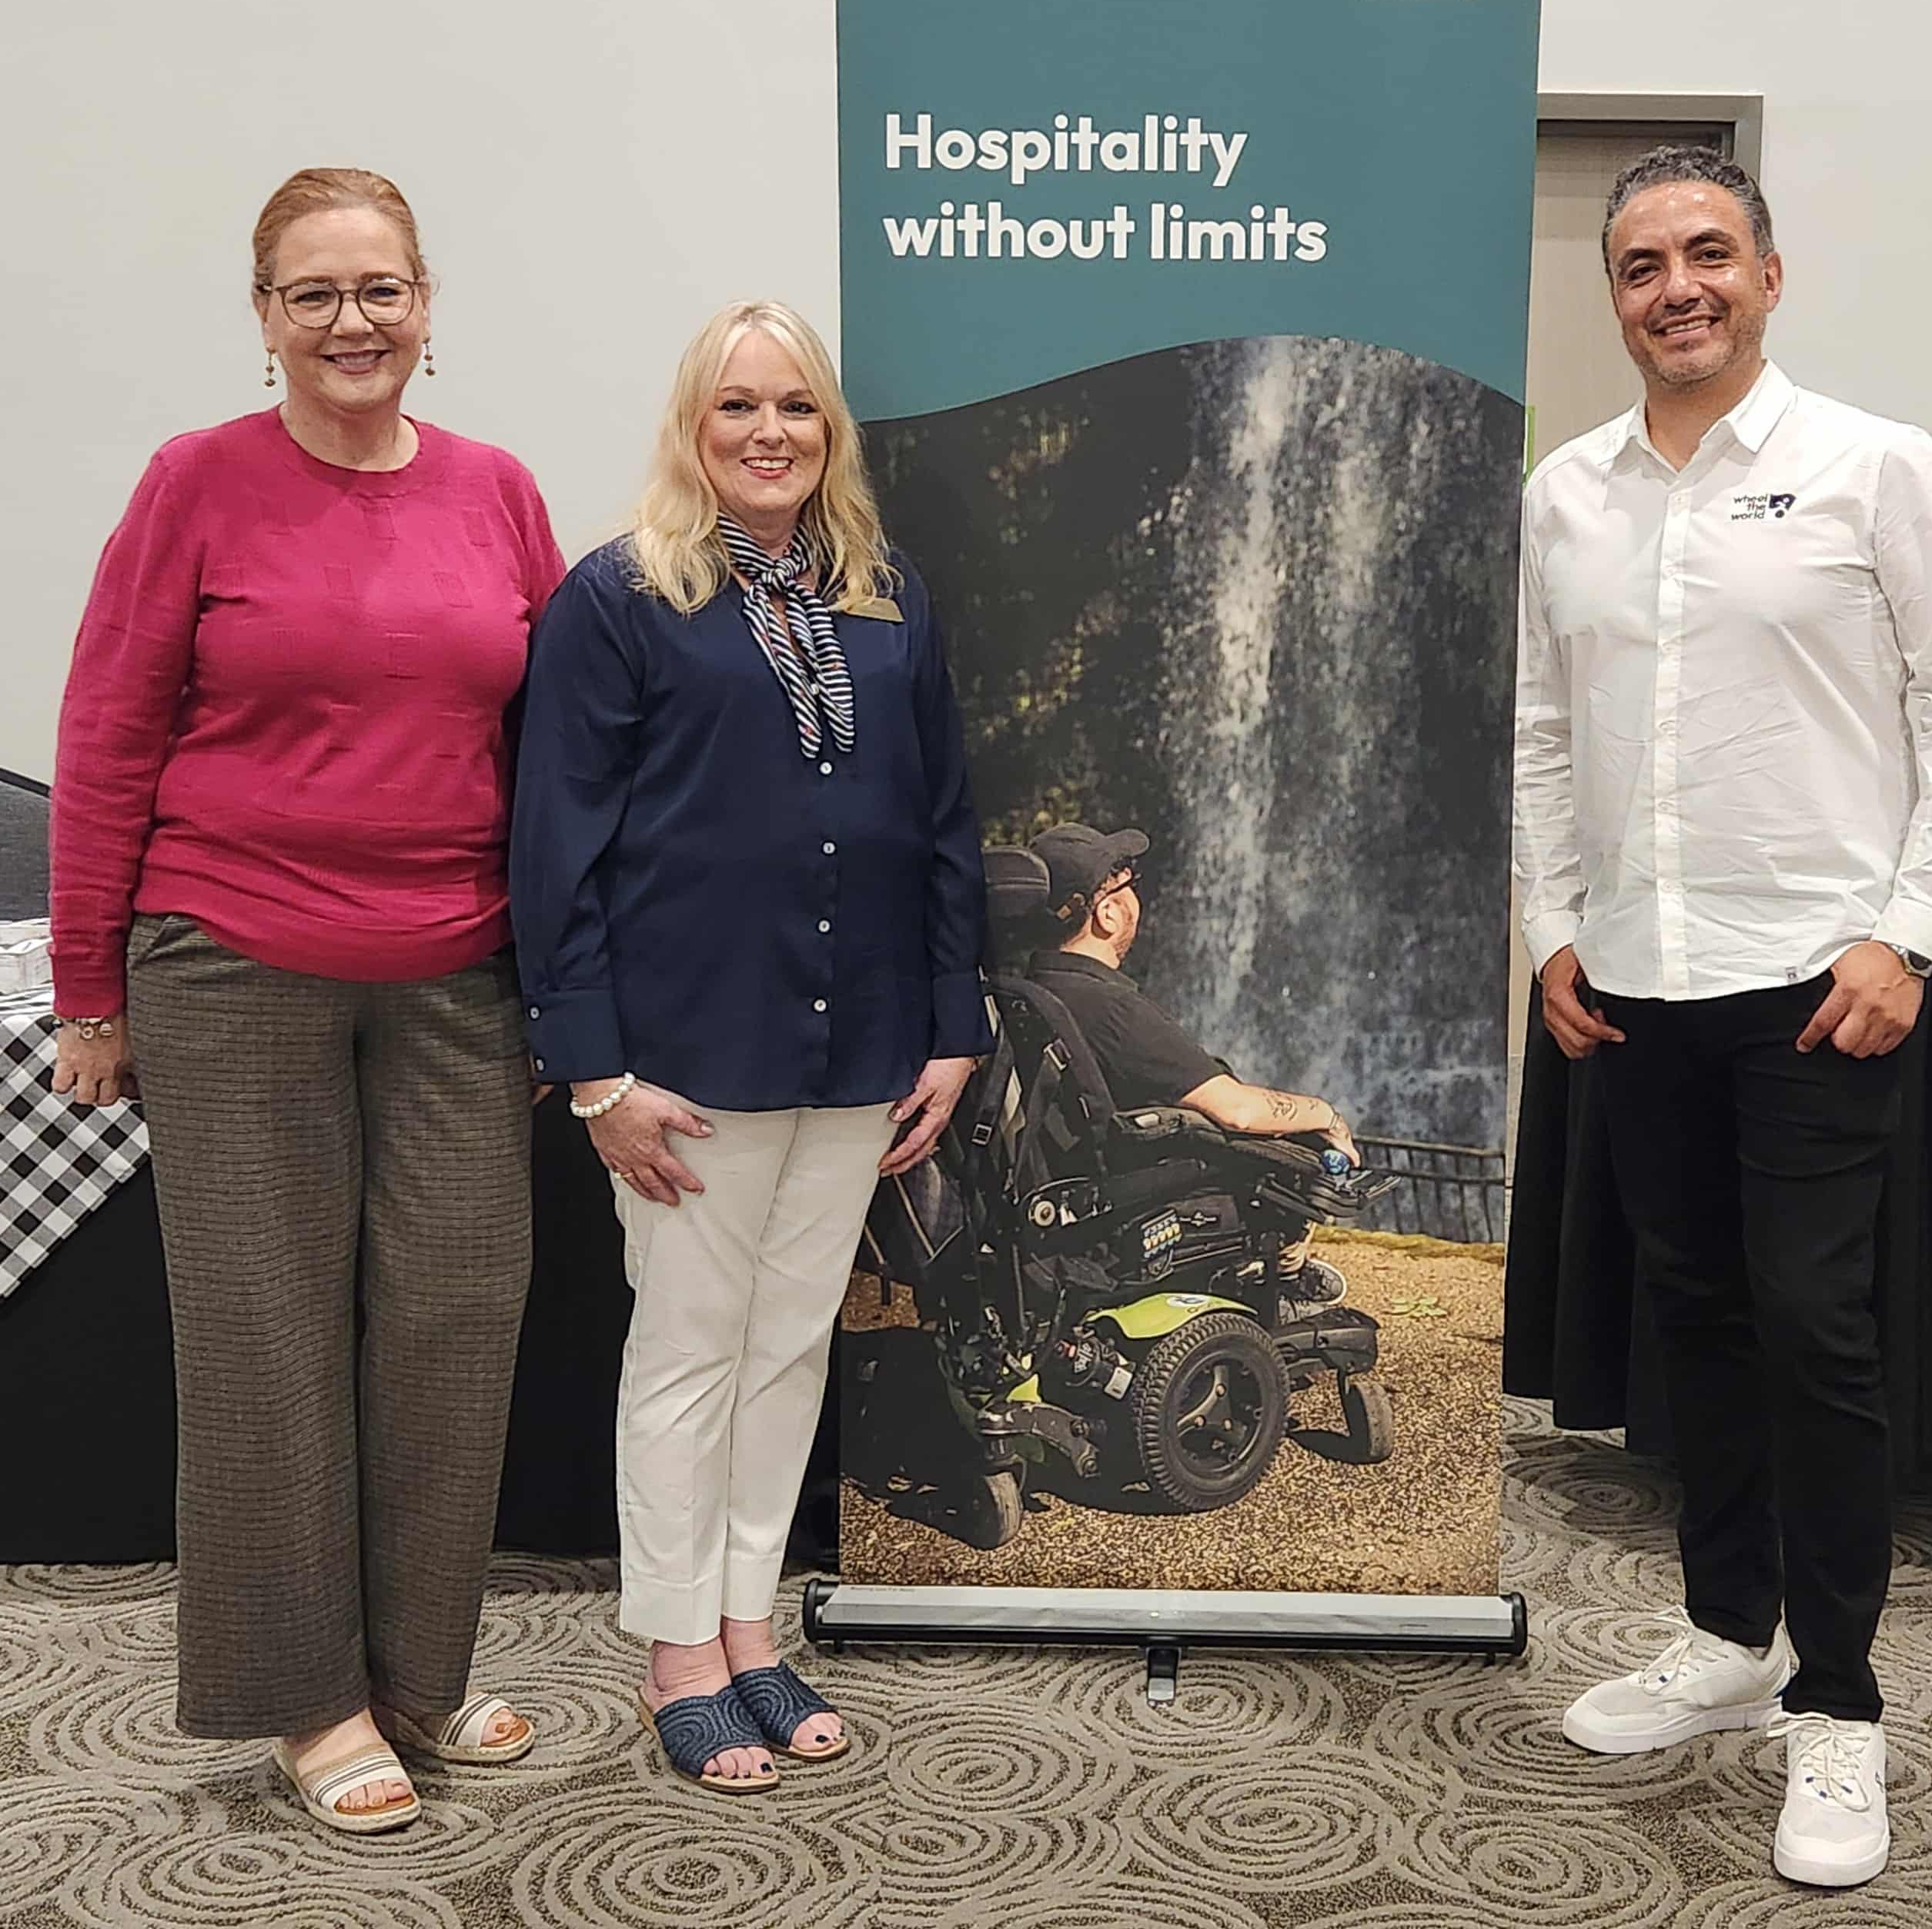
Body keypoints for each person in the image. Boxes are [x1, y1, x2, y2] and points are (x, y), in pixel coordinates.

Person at [1513, 144, 1932, 1888]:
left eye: (1707, 254)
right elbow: (1537, 727)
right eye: (1644, 262)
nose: (1678, 286)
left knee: (1816, 1332)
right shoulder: (1564, 492)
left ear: (1767, 271)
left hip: (1818, 986)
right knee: (1695, 1316)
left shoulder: (1868, 466)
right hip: (1633, 986)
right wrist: (1550, 925)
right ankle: (1725, 1636)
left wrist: (1907, 935)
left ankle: (1837, 1702)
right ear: (1615, 294)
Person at [49, 167, 561, 1832]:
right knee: (267, 1342)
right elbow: (108, 739)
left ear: (428, 308)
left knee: (455, 1316)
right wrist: (87, 991)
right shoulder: (197, 483)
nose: (354, 323)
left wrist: (575, 986)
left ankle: (418, 1667)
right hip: (233, 963)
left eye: (381, 291)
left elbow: (554, 756)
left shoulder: (496, 492)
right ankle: (308, 1698)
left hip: (460, 977)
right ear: (263, 319)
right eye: (314, 294)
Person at [510, 299, 990, 1795]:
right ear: (692, 431)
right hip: (688, 1064)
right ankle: (674, 1653)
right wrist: (594, 1071)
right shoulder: (619, 598)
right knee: (688, 1356)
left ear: (827, 431)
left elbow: (943, 822)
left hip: (860, 1052)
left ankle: (750, 1625)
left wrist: (954, 1021)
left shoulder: (887, 596)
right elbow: (554, 848)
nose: (769, 433)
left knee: (786, 1352)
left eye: (795, 408)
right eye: (737, 410)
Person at [1023, 822, 1355, 1314]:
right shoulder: (1110, 1009)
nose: (1136, 890)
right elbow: (1238, 1111)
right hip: (1120, 1211)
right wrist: (1325, 1114)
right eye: (1126, 881)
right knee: (1291, 1149)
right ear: (1108, 914)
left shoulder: (1029, 991)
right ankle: (1277, 1280)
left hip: (1058, 1198)